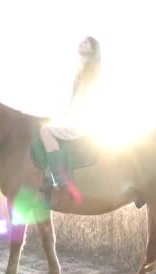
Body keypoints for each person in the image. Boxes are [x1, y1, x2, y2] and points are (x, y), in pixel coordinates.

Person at [40, 36, 101, 188]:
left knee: (45, 130)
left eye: (87, 42)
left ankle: (59, 178)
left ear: (93, 49)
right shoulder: (82, 68)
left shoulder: (91, 69)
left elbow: (86, 99)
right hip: (73, 119)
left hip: (81, 122)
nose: (82, 42)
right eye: (83, 41)